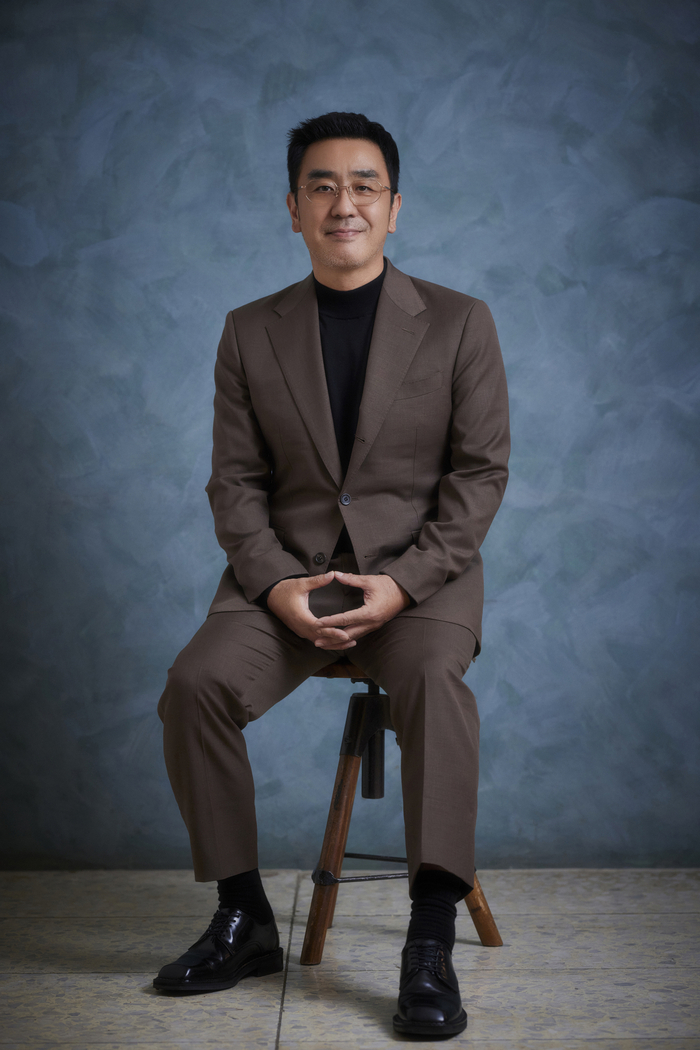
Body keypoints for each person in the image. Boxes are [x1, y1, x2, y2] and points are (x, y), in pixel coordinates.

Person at [154, 111, 509, 1038]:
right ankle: (243, 918)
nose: (342, 202)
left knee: (435, 686)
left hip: (419, 581)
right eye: (322, 185)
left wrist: (405, 583)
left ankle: (427, 938)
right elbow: (235, 483)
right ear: (293, 208)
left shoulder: (461, 322)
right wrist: (276, 585)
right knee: (194, 685)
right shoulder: (248, 331)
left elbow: (479, 476)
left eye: (363, 185)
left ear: (394, 206)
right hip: (287, 579)